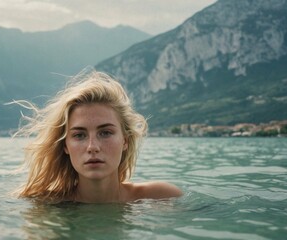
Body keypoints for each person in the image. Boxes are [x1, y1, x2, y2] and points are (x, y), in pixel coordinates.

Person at [13, 70, 182, 203]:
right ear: (65, 146)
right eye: (79, 135)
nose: (92, 147)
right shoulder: (46, 204)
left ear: (125, 141)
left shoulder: (160, 197)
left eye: (105, 133)